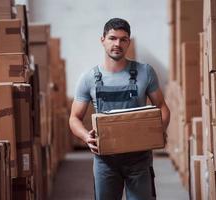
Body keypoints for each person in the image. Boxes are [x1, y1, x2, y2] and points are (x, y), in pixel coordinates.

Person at [69, 18, 170, 200]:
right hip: (105, 160)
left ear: (129, 42)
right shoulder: (89, 78)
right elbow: (74, 117)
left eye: (123, 39)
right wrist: (85, 137)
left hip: (139, 159)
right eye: (112, 38)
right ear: (102, 40)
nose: (118, 44)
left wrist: (158, 130)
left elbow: (162, 106)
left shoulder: (145, 72)